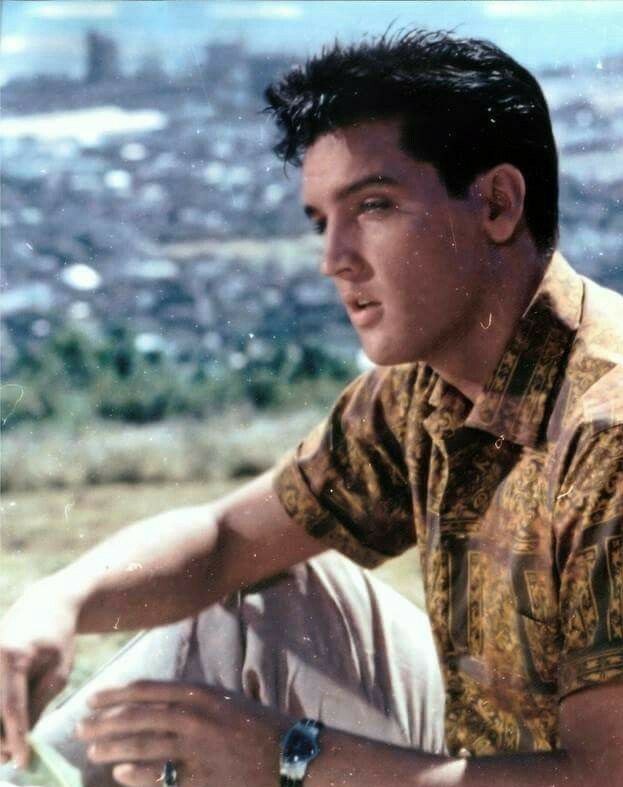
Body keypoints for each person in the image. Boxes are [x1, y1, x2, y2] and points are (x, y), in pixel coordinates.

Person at [2, 27, 622, 787]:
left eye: (373, 205)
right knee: (254, 595)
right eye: (322, 220)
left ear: (496, 203)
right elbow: (225, 537)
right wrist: (54, 601)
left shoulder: (606, 429)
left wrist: (291, 758)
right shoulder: (423, 389)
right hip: (488, 746)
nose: (335, 259)